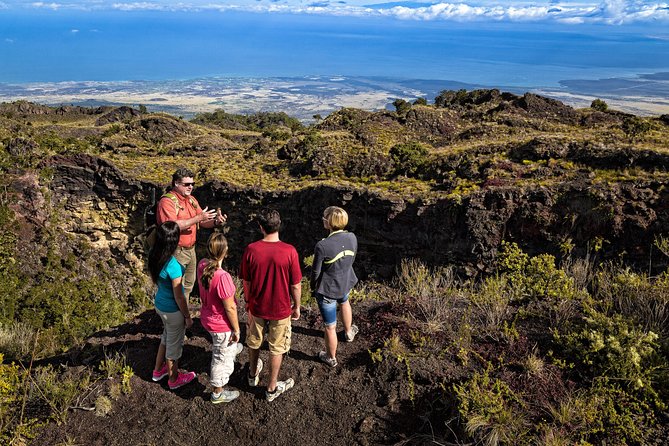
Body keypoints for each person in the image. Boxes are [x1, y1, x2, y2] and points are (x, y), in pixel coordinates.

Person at [239, 209, 302, 402]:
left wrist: (248, 302)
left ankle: (252, 374)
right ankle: (272, 387)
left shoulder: (251, 249)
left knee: (254, 341)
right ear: (279, 225)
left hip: (257, 306)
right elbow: (295, 285)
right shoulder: (290, 251)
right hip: (281, 308)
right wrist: (297, 306)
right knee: (277, 347)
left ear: (260, 227)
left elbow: (246, 282)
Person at [156, 167, 226, 301]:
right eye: (186, 184)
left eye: (192, 184)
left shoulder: (191, 200)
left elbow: (204, 222)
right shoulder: (167, 202)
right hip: (175, 251)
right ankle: (176, 314)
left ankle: (184, 311)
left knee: (188, 283)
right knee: (176, 286)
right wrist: (198, 218)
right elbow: (172, 226)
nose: (190, 187)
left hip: (190, 250)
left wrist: (216, 222)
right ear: (176, 183)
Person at [149, 221, 197, 390]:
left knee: (166, 337)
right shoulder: (173, 266)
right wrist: (187, 316)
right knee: (174, 348)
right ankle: (174, 379)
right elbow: (180, 296)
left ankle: (157, 370)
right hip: (173, 311)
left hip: (160, 305)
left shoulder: (154, 255)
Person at [311, 206, 359, 368]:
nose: (323, 219)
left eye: (325, 217)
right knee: (345, 302)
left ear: (330, 223)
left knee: (330, 326)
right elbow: (351, 260)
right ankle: (348, 332)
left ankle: (330, 357)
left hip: (328, 289)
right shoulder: (352, 237)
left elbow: (316, 271)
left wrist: (313, 287)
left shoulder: (322, 245)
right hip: (345, 282)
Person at [197, 232, 243, 404]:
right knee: (220, 358)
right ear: (225, 251)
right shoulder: (223, 277)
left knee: (224, 347)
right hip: (220, 325)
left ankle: (230, 349)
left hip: (207, 317)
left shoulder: (202, 264)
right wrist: (236, 329)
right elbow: (230, 307)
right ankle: (217, 393)